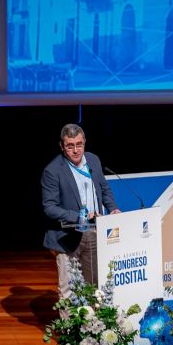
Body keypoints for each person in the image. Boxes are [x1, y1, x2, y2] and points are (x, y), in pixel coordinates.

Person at [41, 123, 121, 302]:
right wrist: (80, 217)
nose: (76, 150)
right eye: (70, 146)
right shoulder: (52, 171)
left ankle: (92, 328)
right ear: (62, 146)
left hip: (94, 231)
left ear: (85, 142)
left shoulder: (93, 160)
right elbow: (50, 208)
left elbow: (104, 188)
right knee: (69, 290)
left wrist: (113, 208)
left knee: (94, 285)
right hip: (67, 235)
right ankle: (71, 330)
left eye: (79, 144)